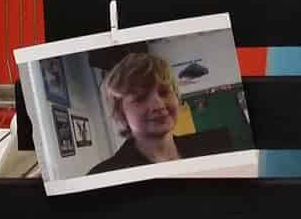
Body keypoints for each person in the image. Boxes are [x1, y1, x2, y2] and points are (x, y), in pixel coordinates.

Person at [89, 53, 219, 174]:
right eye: (140, 98)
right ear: (120, 113)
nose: (158, 105)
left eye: (164, 92)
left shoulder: (210, 152)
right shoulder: (103, 176)